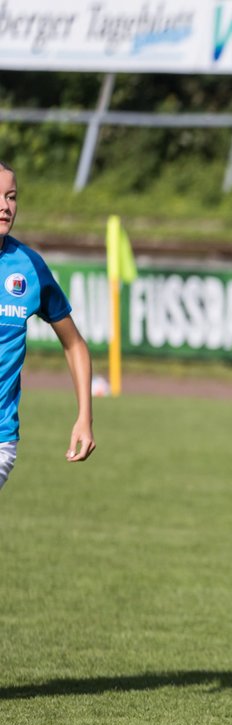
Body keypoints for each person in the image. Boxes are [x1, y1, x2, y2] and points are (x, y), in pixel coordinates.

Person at [0, 160, 95, 490]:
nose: (4, 206)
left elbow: (75, 345)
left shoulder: (28, 267)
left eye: (11, 197)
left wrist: (85, 416)